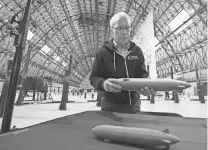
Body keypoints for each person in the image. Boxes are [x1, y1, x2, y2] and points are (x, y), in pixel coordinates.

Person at [89, 12, 155, 114]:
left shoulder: (137, 51)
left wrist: (146, 83)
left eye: (127, 28)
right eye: (120, 28)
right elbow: (94, 78)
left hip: (134, 107)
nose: (124, 32)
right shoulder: (103, 52)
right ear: (112, 30)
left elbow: (142, 74)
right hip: (110, 108)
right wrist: (103, 84)